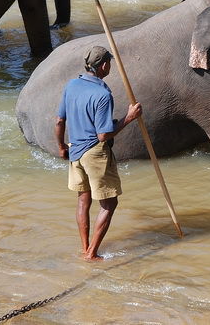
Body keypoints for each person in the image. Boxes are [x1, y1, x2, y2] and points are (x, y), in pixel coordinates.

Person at [54, 45, 141, 261]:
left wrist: (61, 147)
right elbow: (104, 135)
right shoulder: (103, 94)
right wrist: (129, 118)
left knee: (83, 201)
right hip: (95, 153)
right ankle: (92, 253)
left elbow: (59, 121)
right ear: (104, 65)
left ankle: (85, 247)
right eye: (109, 62)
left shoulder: (72, 85)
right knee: (109, 204)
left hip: (74, 150)